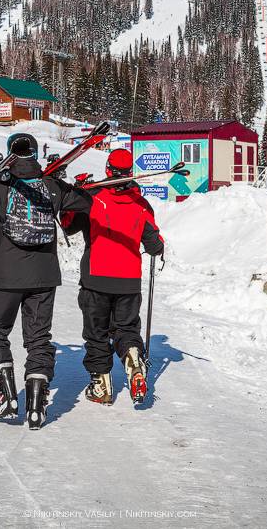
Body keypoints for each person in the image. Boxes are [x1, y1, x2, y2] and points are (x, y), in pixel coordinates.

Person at [0, 132, 91, 430]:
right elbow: (85, 203)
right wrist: (67, 184)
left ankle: (5, 395)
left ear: (9, 152)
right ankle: (37, 407)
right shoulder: (50, 185)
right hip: (43, 275)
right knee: (38, 339)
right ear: (35, 153)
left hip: (4, 275)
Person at [61, 149, 164, 406]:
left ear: (108, 169)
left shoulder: (93, 198)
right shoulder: (141, 204)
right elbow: (154, 244)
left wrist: (77, 192)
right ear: (130, 173)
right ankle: (132, 356)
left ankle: (101, 386)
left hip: (96, 278)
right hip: (128, 281)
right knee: (126, 328)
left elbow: (68, 225)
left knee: (96, 333)